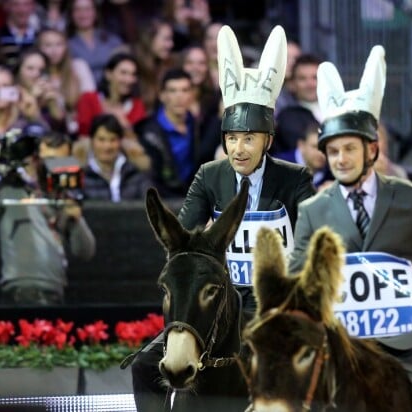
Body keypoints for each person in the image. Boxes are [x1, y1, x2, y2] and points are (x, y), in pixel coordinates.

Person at [129, 25, 316, 412]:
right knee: (146, 363)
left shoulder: (294, 178)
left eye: (249, 138)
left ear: (268, 138)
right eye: (232, 138)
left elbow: (311, 243)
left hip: (273, 305)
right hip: (216, 303)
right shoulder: (208, 175)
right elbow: (183, 240)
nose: (239, 148)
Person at [289, 46, 412, 412]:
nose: (340, 159)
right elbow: (297, 282)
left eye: (349, 149)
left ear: (371, 149)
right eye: (333, 151)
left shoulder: (410, 198)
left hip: (407, 341)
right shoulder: (313, 210)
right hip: (338, 345)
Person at [0, 131, 96, 305]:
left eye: (62, 160)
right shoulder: (7, 189)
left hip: (54, 287)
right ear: (35, 158)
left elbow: (85, 252)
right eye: (50, 159)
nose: (56, 166)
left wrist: (76, 219)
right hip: (18, 284)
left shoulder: (62, 196)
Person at [135, 68, 198, 198]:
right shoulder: (147, 132)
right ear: (162, 95)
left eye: (184, 90)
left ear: (192, 95)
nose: (179, 96)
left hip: (195, 199)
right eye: (173, 91)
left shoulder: (200, 126)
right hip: (162, 200)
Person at [80, 113, 151, 201]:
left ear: (120, 142)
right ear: (92, 141)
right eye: (101, 139)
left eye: (113, 140)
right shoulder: (82, 177)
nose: (107, 146)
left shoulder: (135, 173)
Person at [275, 122, 333, 190]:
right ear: (301, 145)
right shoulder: (278, 164)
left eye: (324, 148)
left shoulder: (332, 173)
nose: (320, 153)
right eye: (314, 147)